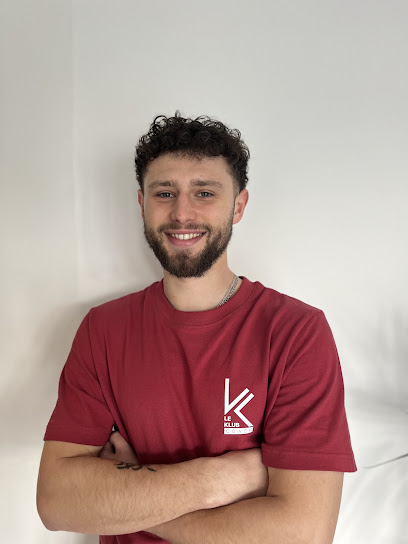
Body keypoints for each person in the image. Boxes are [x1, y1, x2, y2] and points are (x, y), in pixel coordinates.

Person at [37, 112, 357, 543]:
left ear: (238, 206)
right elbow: (57, 501)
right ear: (142, 203)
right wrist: (220, 478)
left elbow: (304, 534)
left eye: (204, 192)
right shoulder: (103, 330)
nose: (182, 213)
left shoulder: (296, 333)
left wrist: (129, 499)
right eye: (164, 193)